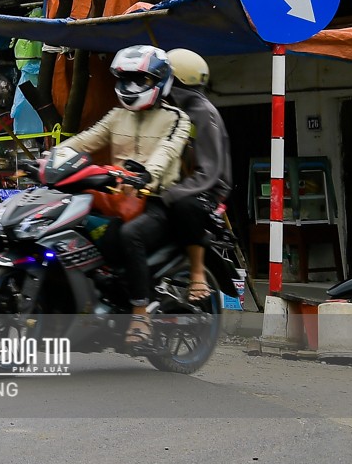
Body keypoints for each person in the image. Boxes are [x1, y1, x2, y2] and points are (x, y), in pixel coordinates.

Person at [64, 44, 192, 345]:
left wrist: (147, 173)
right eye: (124, 80)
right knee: (79, 226)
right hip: (119, 199)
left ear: (160, 81)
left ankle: (139, 313)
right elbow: (83, 141)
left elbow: (167, 151)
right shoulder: (116, 116)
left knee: (129, 235)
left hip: (159, 201)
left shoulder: (176, 119)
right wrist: (51, 158)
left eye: (140, 80)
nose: (130, 87)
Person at [162, 48, 233, 302]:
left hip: (208, 191)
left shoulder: (202, 112)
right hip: (178, 183)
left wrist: (172, 193)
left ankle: (196, 273)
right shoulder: (171, 108)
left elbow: (210, 171)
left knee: (184, 205)